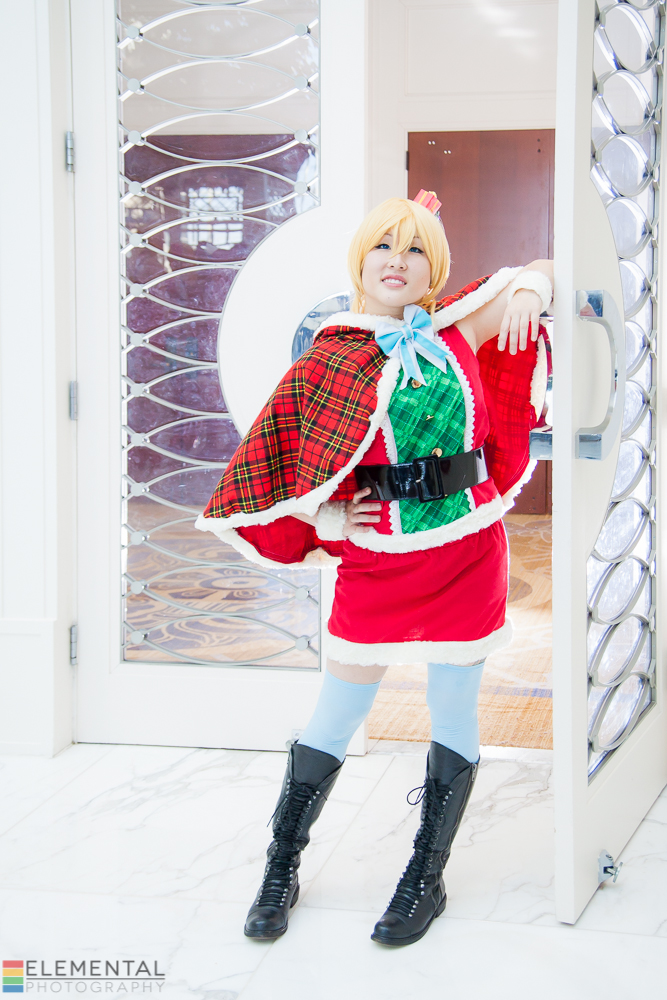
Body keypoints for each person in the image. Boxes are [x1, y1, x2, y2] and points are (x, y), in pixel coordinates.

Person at [196, 191, 553, 947]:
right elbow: (282, 459)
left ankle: (426, 876)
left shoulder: (459, 327)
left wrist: (529, 287)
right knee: (336, 714)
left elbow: (548, 266)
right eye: (385, 246)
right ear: (360, 260)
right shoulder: (329, 355)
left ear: (435, 267)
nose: (398, 261)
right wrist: (329, 520)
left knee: (452, 713)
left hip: (465, 548)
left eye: (416, 248)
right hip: (379, 560)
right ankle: (281, 866)